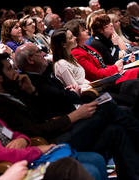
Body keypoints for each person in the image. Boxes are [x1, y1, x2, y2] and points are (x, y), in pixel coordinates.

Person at [14, 42, 139, 179]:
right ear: (30, 60)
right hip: (63, 131)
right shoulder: (29, 84)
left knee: (117, 129)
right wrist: (74, 100)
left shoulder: (44, 75)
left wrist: (73, 95)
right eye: (39, 52)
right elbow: (58, 106)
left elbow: (64, 97)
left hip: (75, 117)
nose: (44, 54)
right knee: (110, 106)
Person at [0, 77, 106, 180]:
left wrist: (22, 139)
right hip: (20, 167)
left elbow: (17, 134)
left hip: (32, 154)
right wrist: (40, 150)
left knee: (97, 158)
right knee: (91, 169)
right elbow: (3, 155)